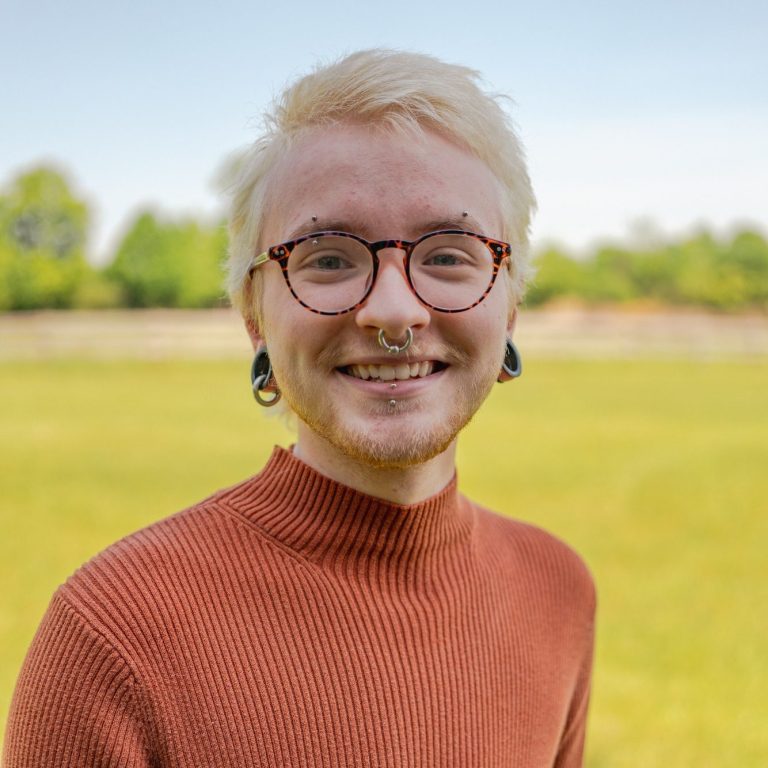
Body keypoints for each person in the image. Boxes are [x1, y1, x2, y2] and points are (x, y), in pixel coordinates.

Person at [4, 49, 596, 767]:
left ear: (511, 303)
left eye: (448, 254)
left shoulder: (558, 592)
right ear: (255, 314)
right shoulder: (115, 637)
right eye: (327, 257)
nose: (393, 311)